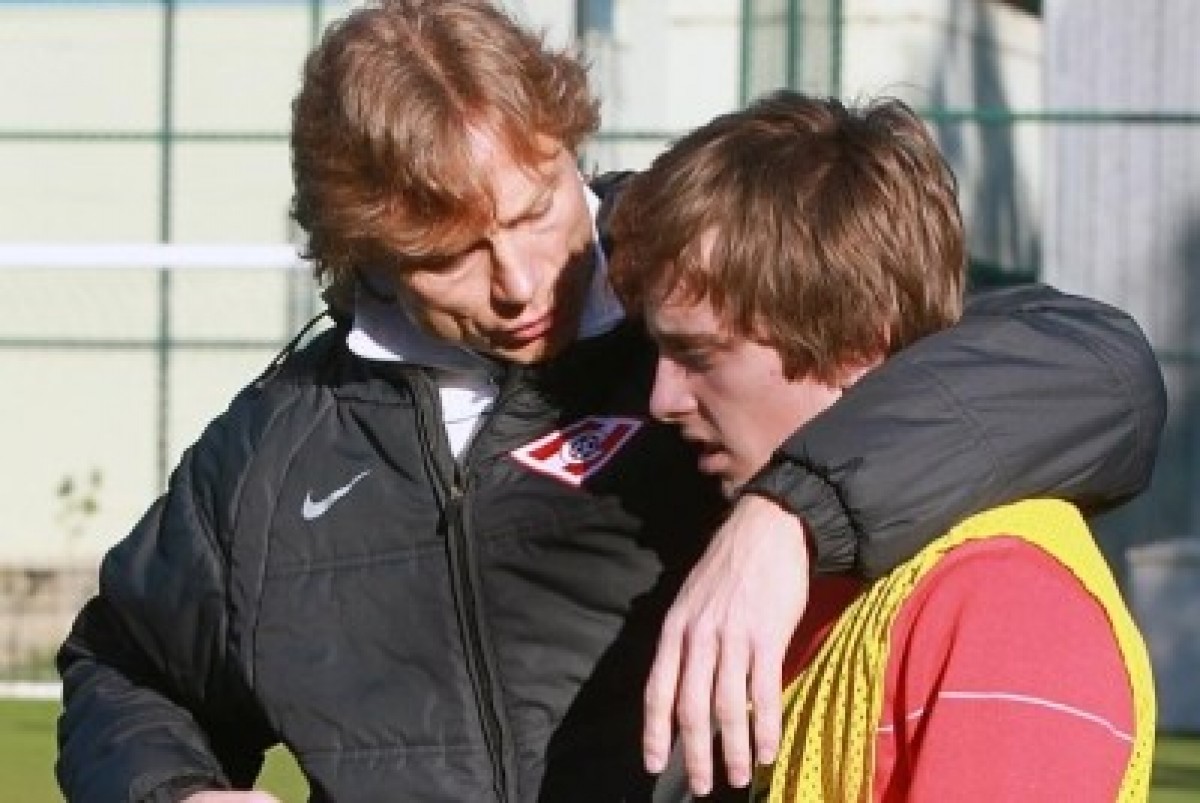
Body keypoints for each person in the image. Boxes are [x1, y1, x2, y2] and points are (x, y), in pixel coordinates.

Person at [54, 2, 1165, 801]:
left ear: (566, 147)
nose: (519, 280)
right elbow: (125, 669)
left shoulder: (706, 283)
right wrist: (172, 791)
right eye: (448, 253)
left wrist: (788, 512)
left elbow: (1091, 368)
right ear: (361, 251)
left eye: (534, 209)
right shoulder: (273, 453)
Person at [608, 89, 1157, 801]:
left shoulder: (1002, 605)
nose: (662, 400)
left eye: (701, 354)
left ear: (858, 345)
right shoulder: (808, 581)